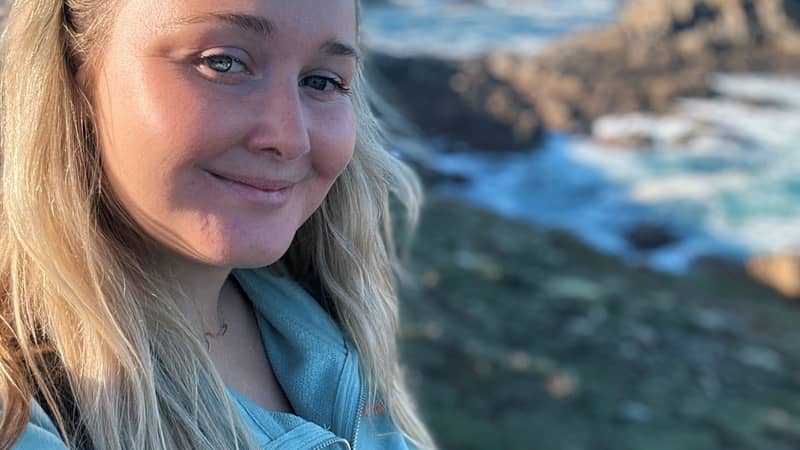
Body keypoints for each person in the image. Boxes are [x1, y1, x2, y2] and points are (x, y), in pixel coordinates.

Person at [0, 0, 435, 448]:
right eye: (223, 63)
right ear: (76, 73)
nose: (289, 138)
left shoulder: (314, 323)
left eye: (322, 81)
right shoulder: (21, 412)